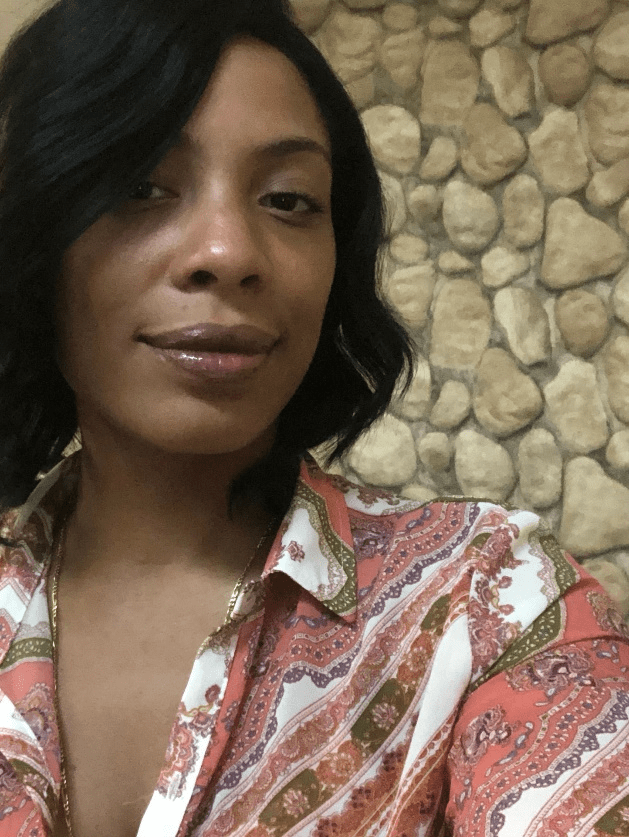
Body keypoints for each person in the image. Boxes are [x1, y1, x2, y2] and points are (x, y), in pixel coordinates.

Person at [0, 0, 628, 835]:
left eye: (289, 199)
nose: (228, 252)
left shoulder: (491, 601)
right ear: (33, 240)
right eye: (139, 187)